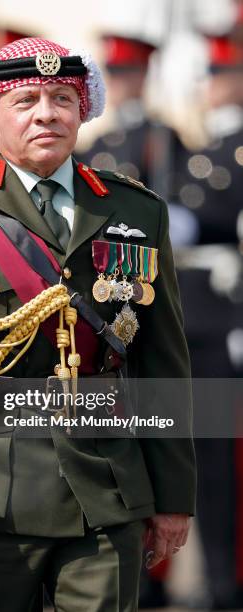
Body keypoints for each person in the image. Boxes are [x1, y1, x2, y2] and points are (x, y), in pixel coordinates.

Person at [0, 37, 196, 611]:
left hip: (107, 488)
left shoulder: (136, 211)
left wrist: (173, 495)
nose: (46, 113)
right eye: (25, 100)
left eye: (62, 98)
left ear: (83, 112)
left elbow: (161, 358)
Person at [169, 31, 243, 609]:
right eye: (214, 76)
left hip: (230, 322)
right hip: (203, 327)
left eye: (228, 75)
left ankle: (228, 581)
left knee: (228, 467)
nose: (218, 88)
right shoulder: (200, 154)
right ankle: (219, 581)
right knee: (207, 465)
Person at [79, 34, 178, 200]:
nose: (112, 81)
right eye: (111, 73)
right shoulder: (101, 142)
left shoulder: (160, 135)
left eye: (122, 73)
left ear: (142, 75)